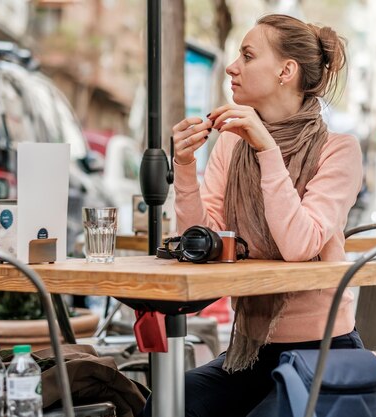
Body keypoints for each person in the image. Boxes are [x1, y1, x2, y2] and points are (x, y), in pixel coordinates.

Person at [144, 14, 364, 417]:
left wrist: (268, 152)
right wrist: (185, 165)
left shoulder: (339, 150)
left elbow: (300, 245)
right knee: (169, 403)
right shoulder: (231, 143)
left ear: (286, 71)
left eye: (247, 56)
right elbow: (202, 242)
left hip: (324, 353)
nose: (232, 67)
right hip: (251, 352)